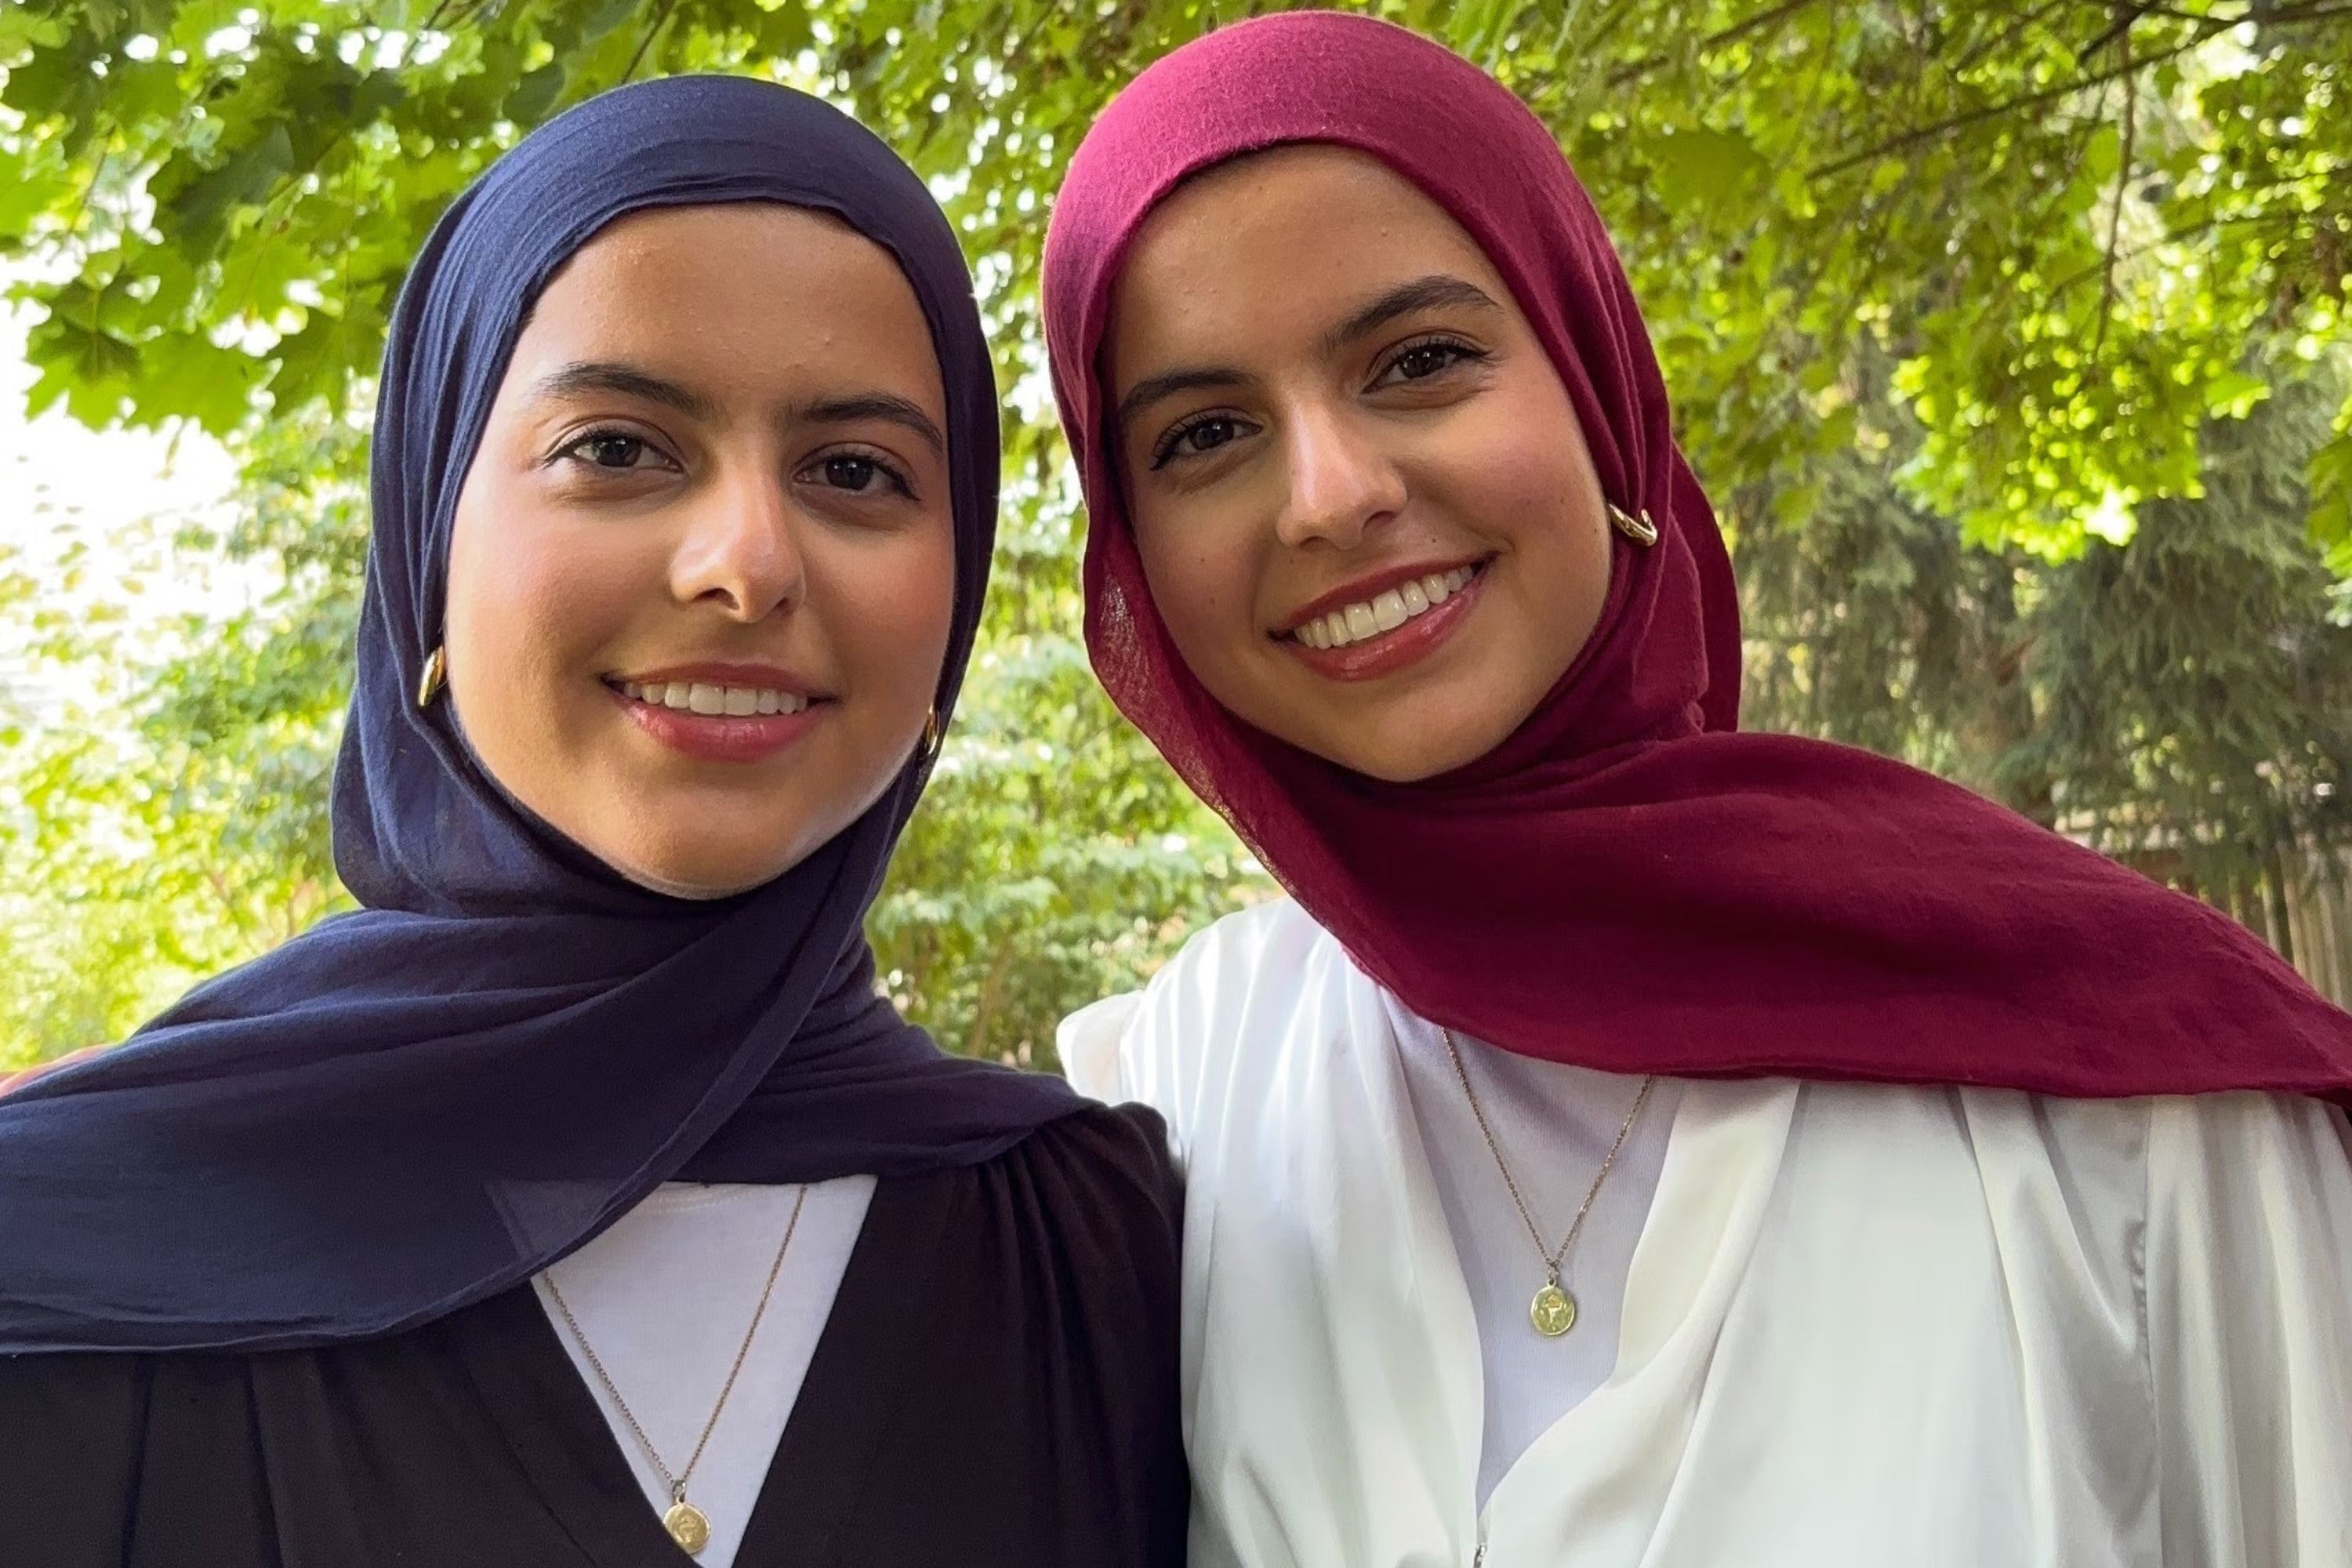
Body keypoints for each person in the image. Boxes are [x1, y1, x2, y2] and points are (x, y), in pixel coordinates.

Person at [1041, 13, 2352, 1566]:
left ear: (1597, 387)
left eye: (1422, 361)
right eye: (1204, 435)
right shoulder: (1186, 1087)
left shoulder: (2144, 1089)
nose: (1329, 496)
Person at [0, 75, 1185, 1568]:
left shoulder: (1097, 1245)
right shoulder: (68, 1248)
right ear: (429, 539)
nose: (746, 563)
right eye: (618, 447)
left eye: (855, 471)